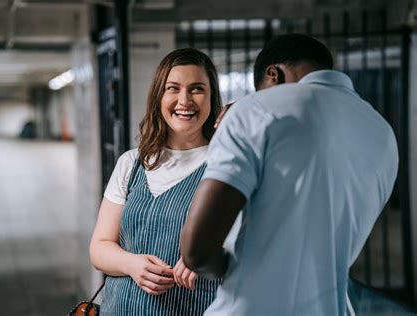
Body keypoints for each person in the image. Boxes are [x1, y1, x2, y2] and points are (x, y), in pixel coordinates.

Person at [180, 34, 399, 315]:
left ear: (273, 75)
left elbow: (196, 252)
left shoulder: (255, 110)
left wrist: (232, 264)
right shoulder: (382, 133)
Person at [89, 47, 222, 315]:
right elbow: (99, 248)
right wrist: (131, 264)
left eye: (197, 89)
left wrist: (207, 256)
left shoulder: (226, 164)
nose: (184, 100)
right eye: (173, 88)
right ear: (158, 96)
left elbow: (252, 245)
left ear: (212, 97)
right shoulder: (132, 163)